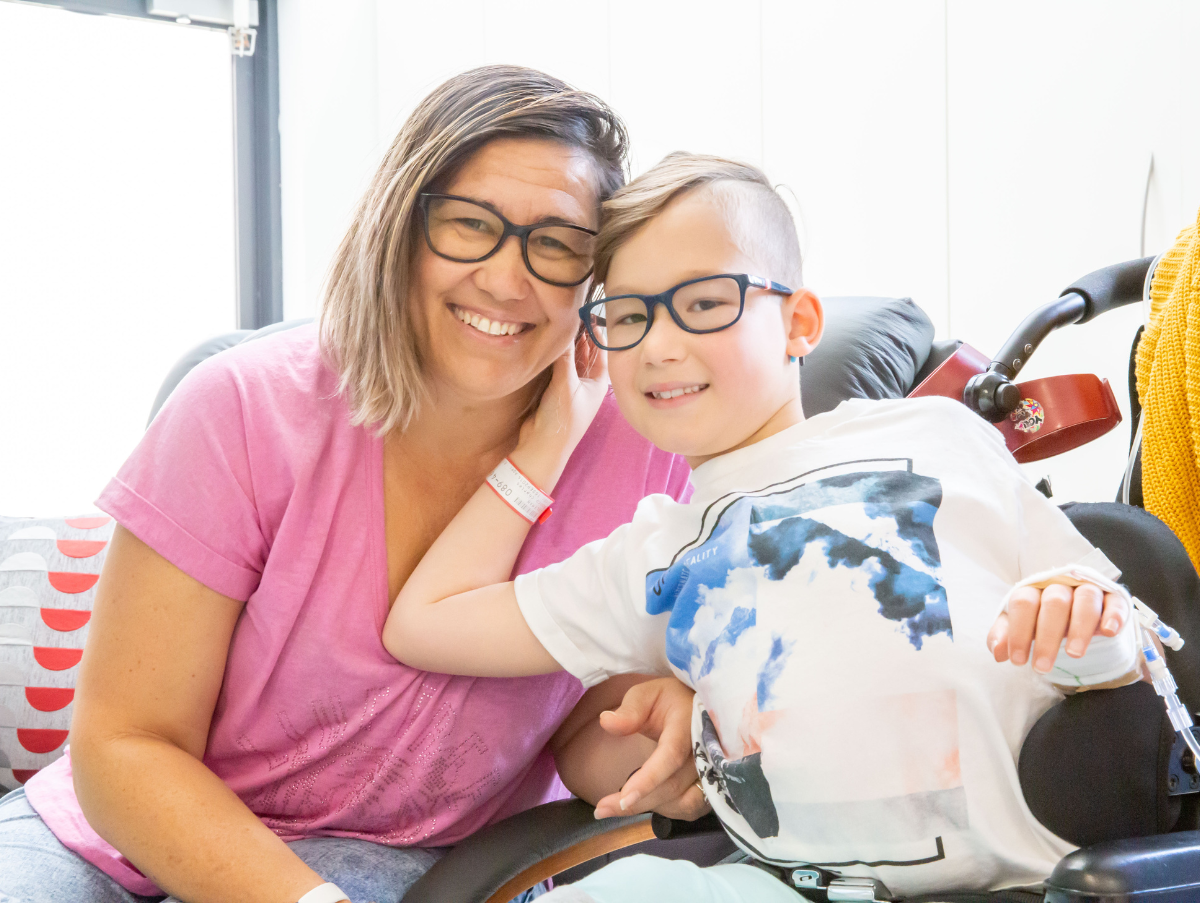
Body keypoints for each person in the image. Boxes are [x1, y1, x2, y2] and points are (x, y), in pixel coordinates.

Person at [381, 153, 1177, 901]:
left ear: (800, 323)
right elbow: (424, 622)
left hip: (1028, 875)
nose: (658, 344)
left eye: (702, 304)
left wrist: (1080, 619)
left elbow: (1129, 636)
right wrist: (548, 443)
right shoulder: (652, 556)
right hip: (786, 882)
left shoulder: (935, 436)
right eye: (624, 316)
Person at [0, 68, 708, 903]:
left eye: (556, 244)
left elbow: (589, 731)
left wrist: (673, 744)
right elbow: (124, 747)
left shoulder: (650, 446)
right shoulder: (241, 408)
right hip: (115, 843)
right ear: (400, 229)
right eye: (470, 224)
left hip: (401, 860)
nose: (507, 280)